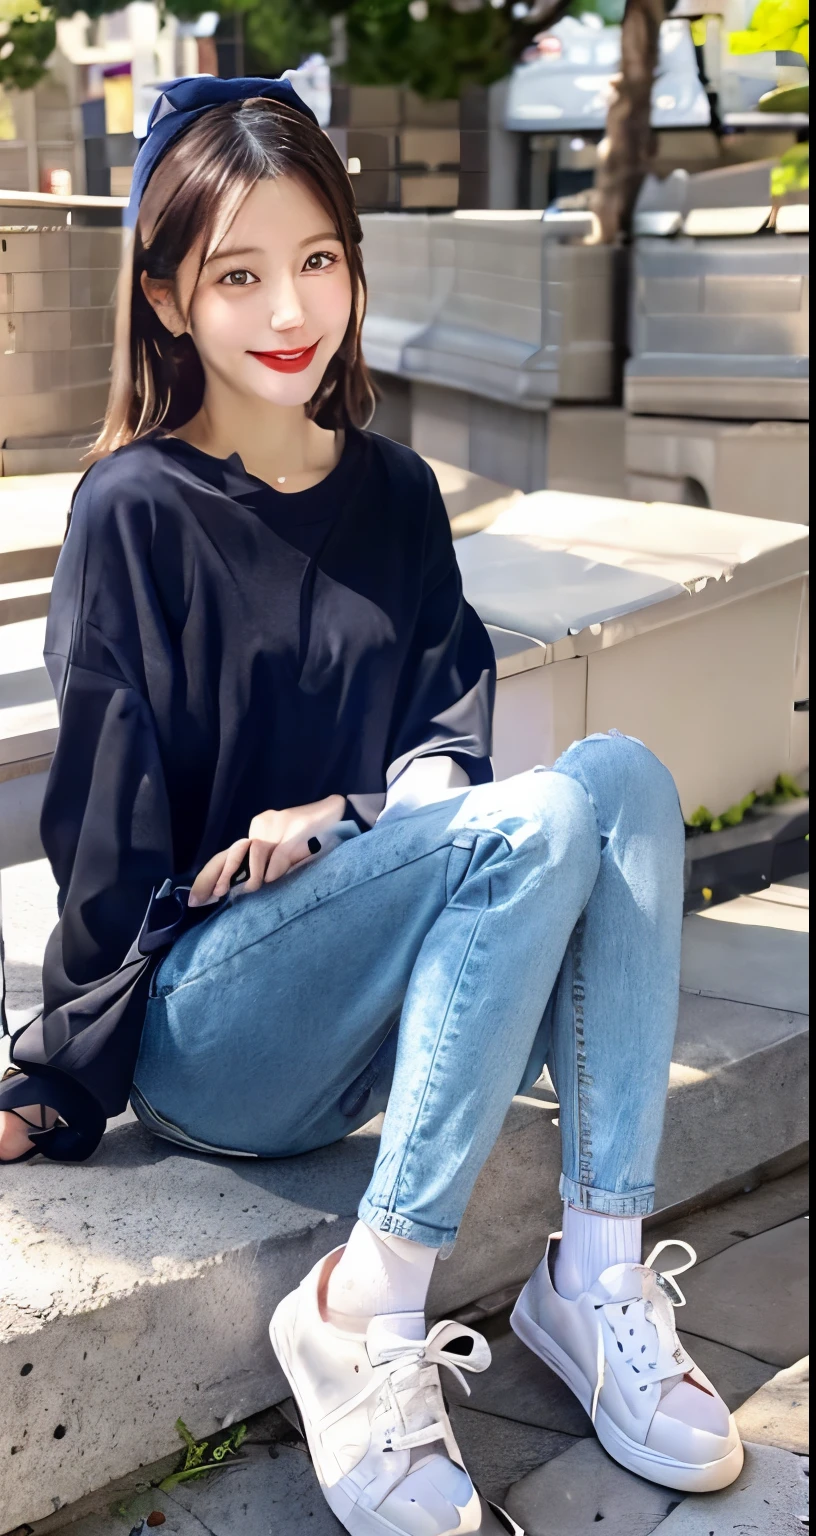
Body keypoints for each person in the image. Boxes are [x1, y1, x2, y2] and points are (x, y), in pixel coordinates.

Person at [0, 76, 743, 1536]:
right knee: (539, 817)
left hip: (383, 1014)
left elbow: (438, 756)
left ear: (352, 259)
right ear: (164, 299)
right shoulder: (134, 510)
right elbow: (99, 828)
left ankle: (593, 1282)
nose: (292, 307)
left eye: (319, 257)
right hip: (209, 1027)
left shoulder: (398, 498)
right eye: (238, 272)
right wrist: (58, 1079)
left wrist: (343, 820)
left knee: (628, 779)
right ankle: (364, 1300)